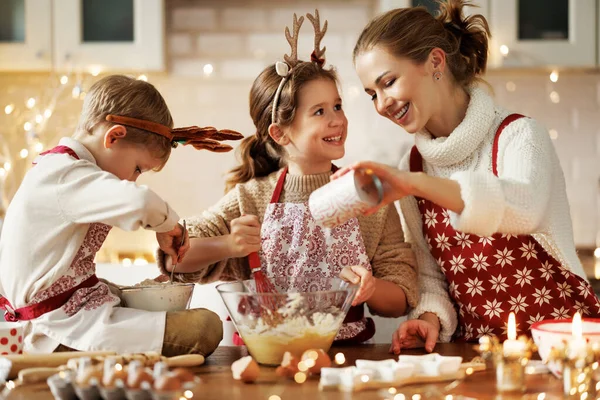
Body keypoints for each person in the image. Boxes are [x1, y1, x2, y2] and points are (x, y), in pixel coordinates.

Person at [339, 0, 600, 353]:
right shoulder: (413, 164)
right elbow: (433, 276)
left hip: (563, 349)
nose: (382, 103)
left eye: (388, 82)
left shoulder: (518, 135)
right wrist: (428, 319)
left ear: (435, 62)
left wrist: (410, 183)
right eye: (372, 94)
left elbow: (524, 208)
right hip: (477, 354)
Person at [157, 11, 418, 344]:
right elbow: (174, 256)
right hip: (268, 357)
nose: (337, 120)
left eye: (337, 106)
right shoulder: (250, 199)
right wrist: (228, 245)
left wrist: (371, 288)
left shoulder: (367, 196)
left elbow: (400, 298)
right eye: (320, 112)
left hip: (346, 361)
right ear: (280, 134)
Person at [0, 75, 242, 356]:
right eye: (138, 168)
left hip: (72, 311)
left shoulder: (61, 168)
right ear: (113, 137)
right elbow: (139, 202)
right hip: (59, 327)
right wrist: (169, 226)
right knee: (205, 327)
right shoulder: (64, 174)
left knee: (138, 298)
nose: (135, 179)